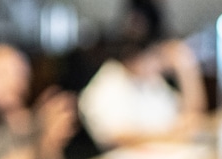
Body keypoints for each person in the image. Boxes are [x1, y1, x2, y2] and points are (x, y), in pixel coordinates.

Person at [78, 38, 207, 149]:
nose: (160, 64)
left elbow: (192, 114)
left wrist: (186, 68)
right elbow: (119, 138)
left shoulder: (150, 82)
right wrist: (169, 135)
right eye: (155, 56)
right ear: (133, 56)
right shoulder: (108, 83)